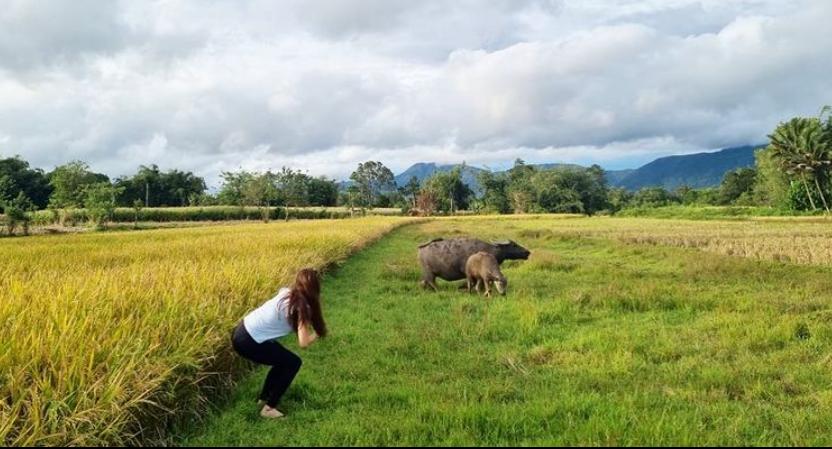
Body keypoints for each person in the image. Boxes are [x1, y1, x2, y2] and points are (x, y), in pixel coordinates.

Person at [231, 268, 328, 419]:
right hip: (250, 341)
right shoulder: (301, 308)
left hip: (241, 330)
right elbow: (303, 343)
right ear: (316, 288)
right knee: (293, 363)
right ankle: (269, 409)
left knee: (282, 361)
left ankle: (262, 400)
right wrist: (317, 333)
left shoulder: (286, 293)